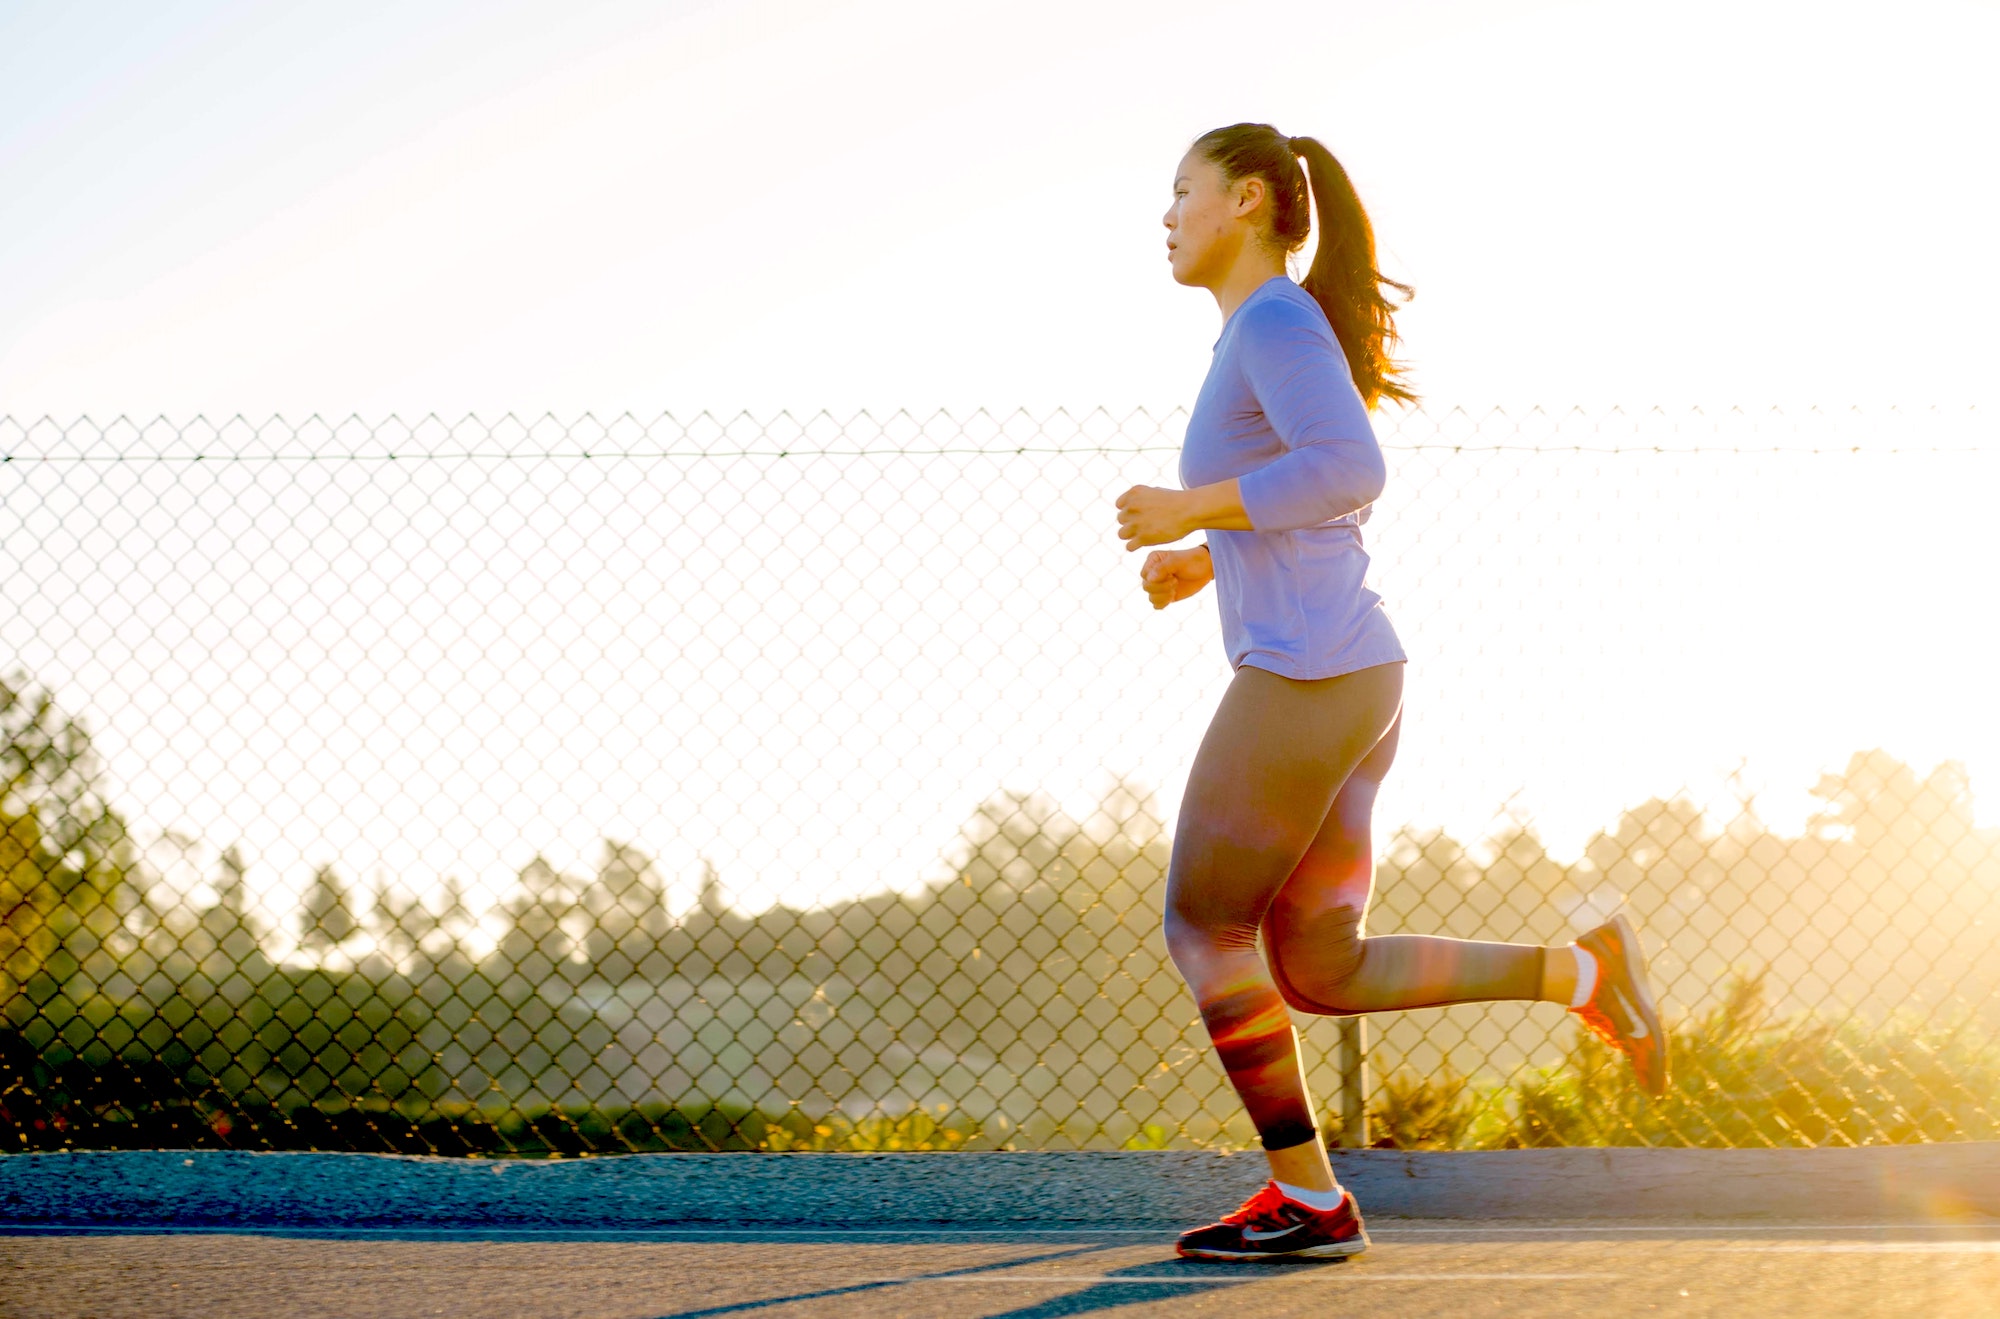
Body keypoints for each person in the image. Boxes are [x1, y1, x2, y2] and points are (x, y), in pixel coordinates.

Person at [1114, 122, 1668, 1263]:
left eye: (1181, 191)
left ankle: (1309, 1199)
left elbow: (1351, 466)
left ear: (1249, 200)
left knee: (1202, 923)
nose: (1164, 215)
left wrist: (1189, 507)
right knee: (1317, 965)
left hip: (1311, 674)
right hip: (1351, 672)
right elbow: (1316, 496)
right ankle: (1585, 971)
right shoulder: (1261, 330)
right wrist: (1207, 552)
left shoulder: (1268, 317)